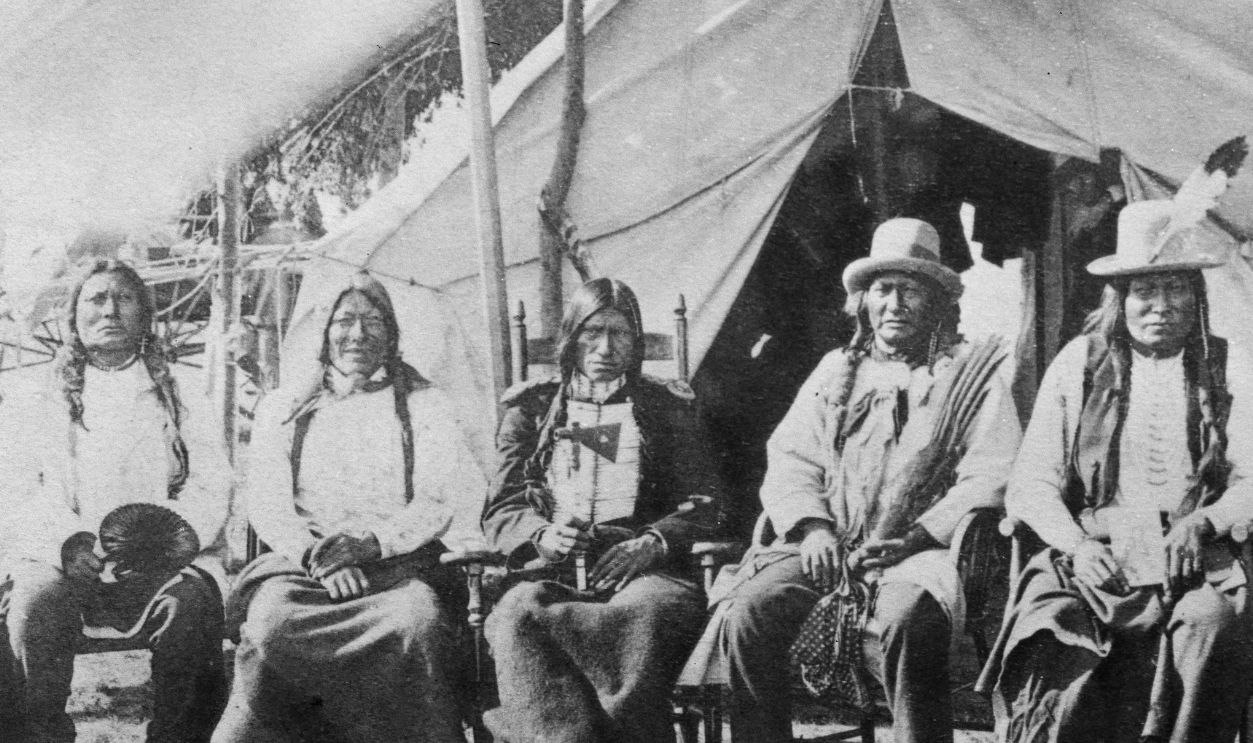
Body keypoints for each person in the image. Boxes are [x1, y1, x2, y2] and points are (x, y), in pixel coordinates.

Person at [716, 218, 1021, 743]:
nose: (895, 303)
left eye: (911, 289)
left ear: (939, 303)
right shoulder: (836, 369)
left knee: (908, 620)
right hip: (828, 544)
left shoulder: (967, 376)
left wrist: (918, 537)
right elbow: (791, 457)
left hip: (923, 550)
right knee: (751, 612)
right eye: (883, 289)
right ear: (863, 301)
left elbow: (992, 473)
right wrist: (813, 527)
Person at [985, 199, 1253, 743]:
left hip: (1195, 559)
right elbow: (1032, 482)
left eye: (1176, 289)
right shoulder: (1079, 363)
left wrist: (1205, 522)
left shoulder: (1231, 366)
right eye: (1145, 292)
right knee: (1052, 629)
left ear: (1196, 298)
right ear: (1121, 299)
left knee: (1212, 624)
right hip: (1095, 557)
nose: (1161, 306)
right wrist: (1076, 546)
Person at [213, 271, 483, 743]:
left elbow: (436, 499)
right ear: (324, 332)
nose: (357, 334)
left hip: (396, 568)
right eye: (344, 320)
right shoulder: (284, 407)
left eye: (373, 321)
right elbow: (268, 504)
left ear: (392, 333)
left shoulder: (426, 404)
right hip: (303, 570)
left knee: (417, 624)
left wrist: (372, 544)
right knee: (273, 624)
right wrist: (318, 558)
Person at [481, 277, 723, 743]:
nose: (606, 347)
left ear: (635, 342)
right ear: (571, 339)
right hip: (551, 570)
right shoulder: (530, 410)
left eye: (620, 333)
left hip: (645, 572)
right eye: (592, 332)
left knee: (647, 613)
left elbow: (709, 501)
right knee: (519, 613)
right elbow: (502, 505)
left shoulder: (666, 408)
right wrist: (541, 535)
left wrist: (653, 542)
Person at [0, 260, 231, 743]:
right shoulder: (35, 394)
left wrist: (168, 541)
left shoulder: (181, 390)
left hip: (163, 560)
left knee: (188, 610)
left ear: (145, 315)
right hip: (69, 560)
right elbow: (17, 487)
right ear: (74, 317)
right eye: (96, 299)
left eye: (124, 299)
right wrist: (66, 543)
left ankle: (175, 736)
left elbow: (211, 480)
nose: (110, 310)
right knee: (34, 607)